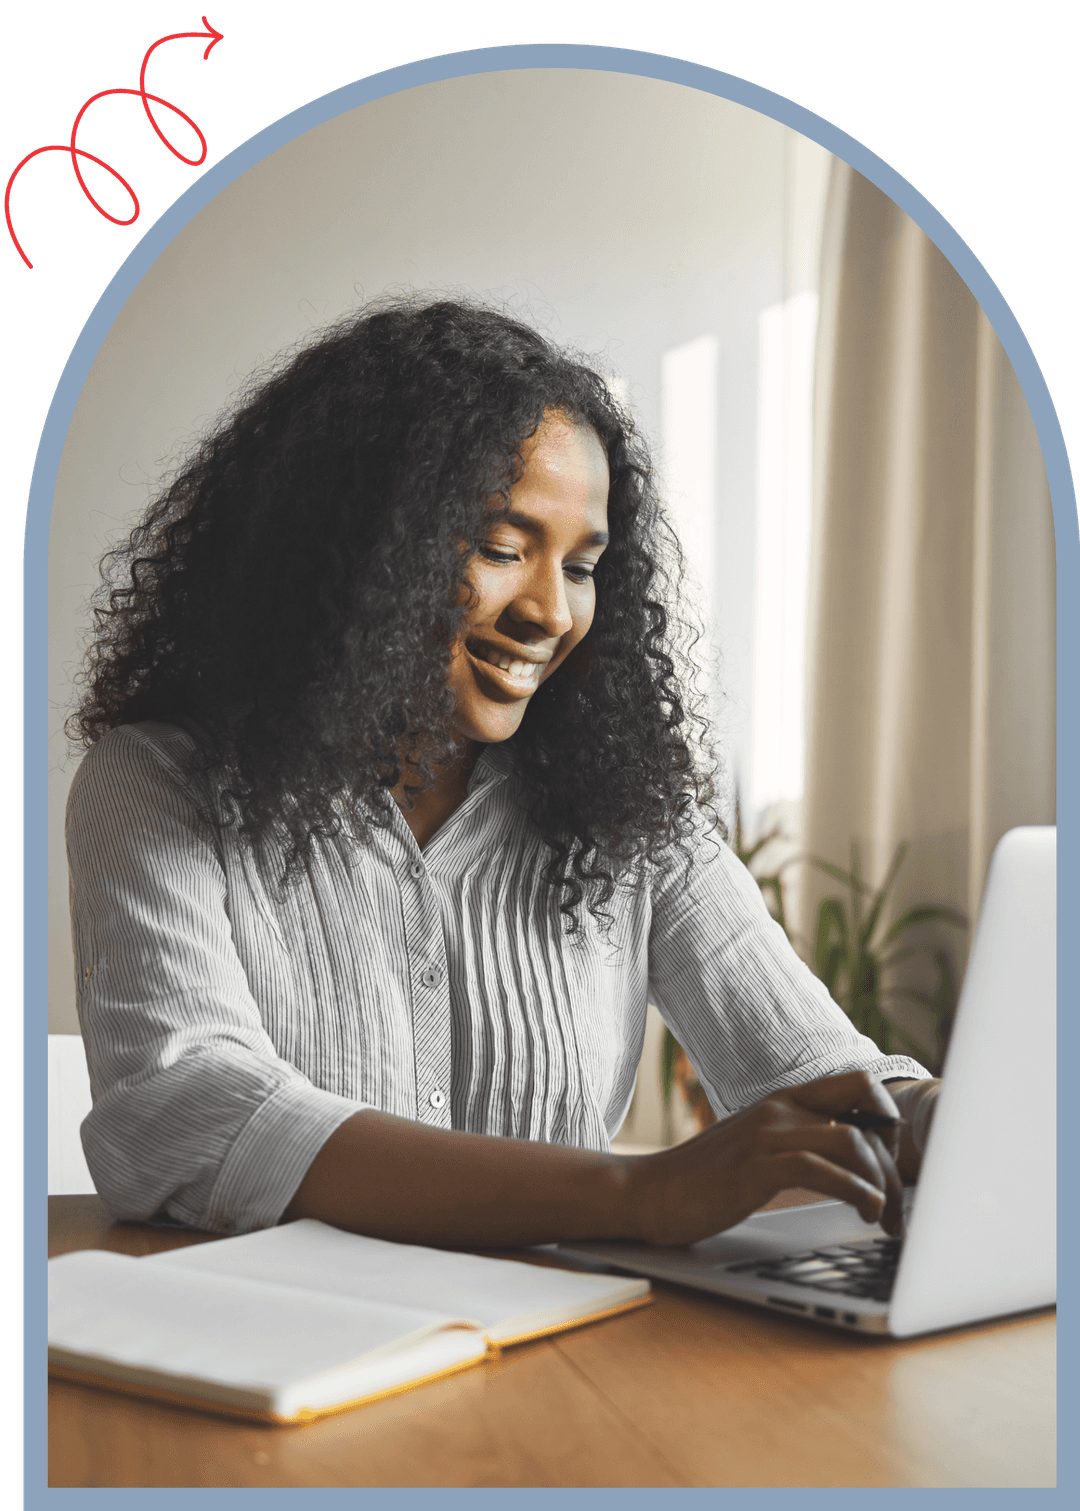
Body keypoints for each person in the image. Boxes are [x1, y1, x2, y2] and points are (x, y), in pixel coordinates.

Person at [66, 296, 938, 1250]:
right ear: (358, 545)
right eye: (502, 548)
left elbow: (816, 1073)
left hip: (563, 1363)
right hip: (290, 1364)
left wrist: (942, 1122)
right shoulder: (157, 784)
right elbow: (190, 1116)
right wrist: (632, 1195)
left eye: (583, 565)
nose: (551, 611)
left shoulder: (633, 816)